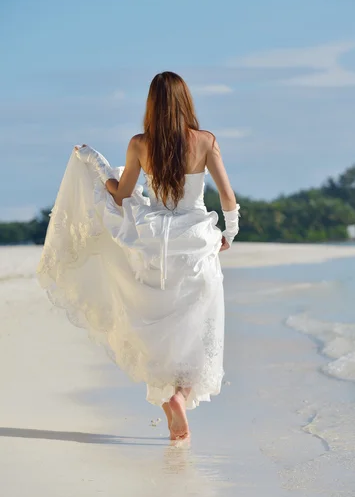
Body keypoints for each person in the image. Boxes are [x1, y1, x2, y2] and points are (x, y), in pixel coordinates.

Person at [37, 71, 240, 441]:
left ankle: (169, 398)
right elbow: (228, 196)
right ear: (186, 101)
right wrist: (229, 231)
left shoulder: (139, 145)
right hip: (193, 241)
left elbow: (120, 195)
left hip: (152, 241)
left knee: (156, 328)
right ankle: (179, 396)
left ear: (152, 104)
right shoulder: (206, 141)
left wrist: (98, 166)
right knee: (196, 331)